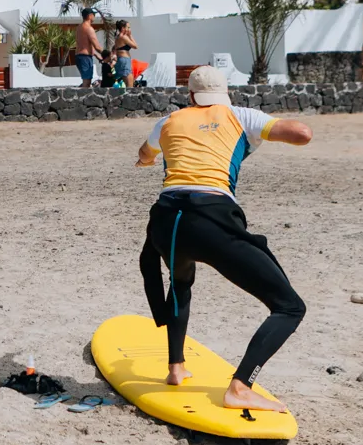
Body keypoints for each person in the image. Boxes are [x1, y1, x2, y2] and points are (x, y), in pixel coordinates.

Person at [134, 66, 313, 413]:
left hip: (166, 222)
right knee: (290, 307)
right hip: (211, 221)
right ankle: (240, 388)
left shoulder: (169, 121)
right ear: (224, 94)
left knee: (181, 283)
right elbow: (301, 133)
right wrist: (268, 133)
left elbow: (145, 153)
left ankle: (176, 368)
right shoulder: (241, 115)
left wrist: (148, 159)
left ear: (190, 96)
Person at [74, 8, 103, 88]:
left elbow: (86, 44)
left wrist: (97, 56)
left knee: (86, 82)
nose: (94, 16)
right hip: (85, 57)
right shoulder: (89, 28)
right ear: (90, 16)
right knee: (87, 82)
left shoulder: (79, 27)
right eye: (94, 15)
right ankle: (81, 99)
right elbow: (97, 46)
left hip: (80, 56)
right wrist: (108, 55)